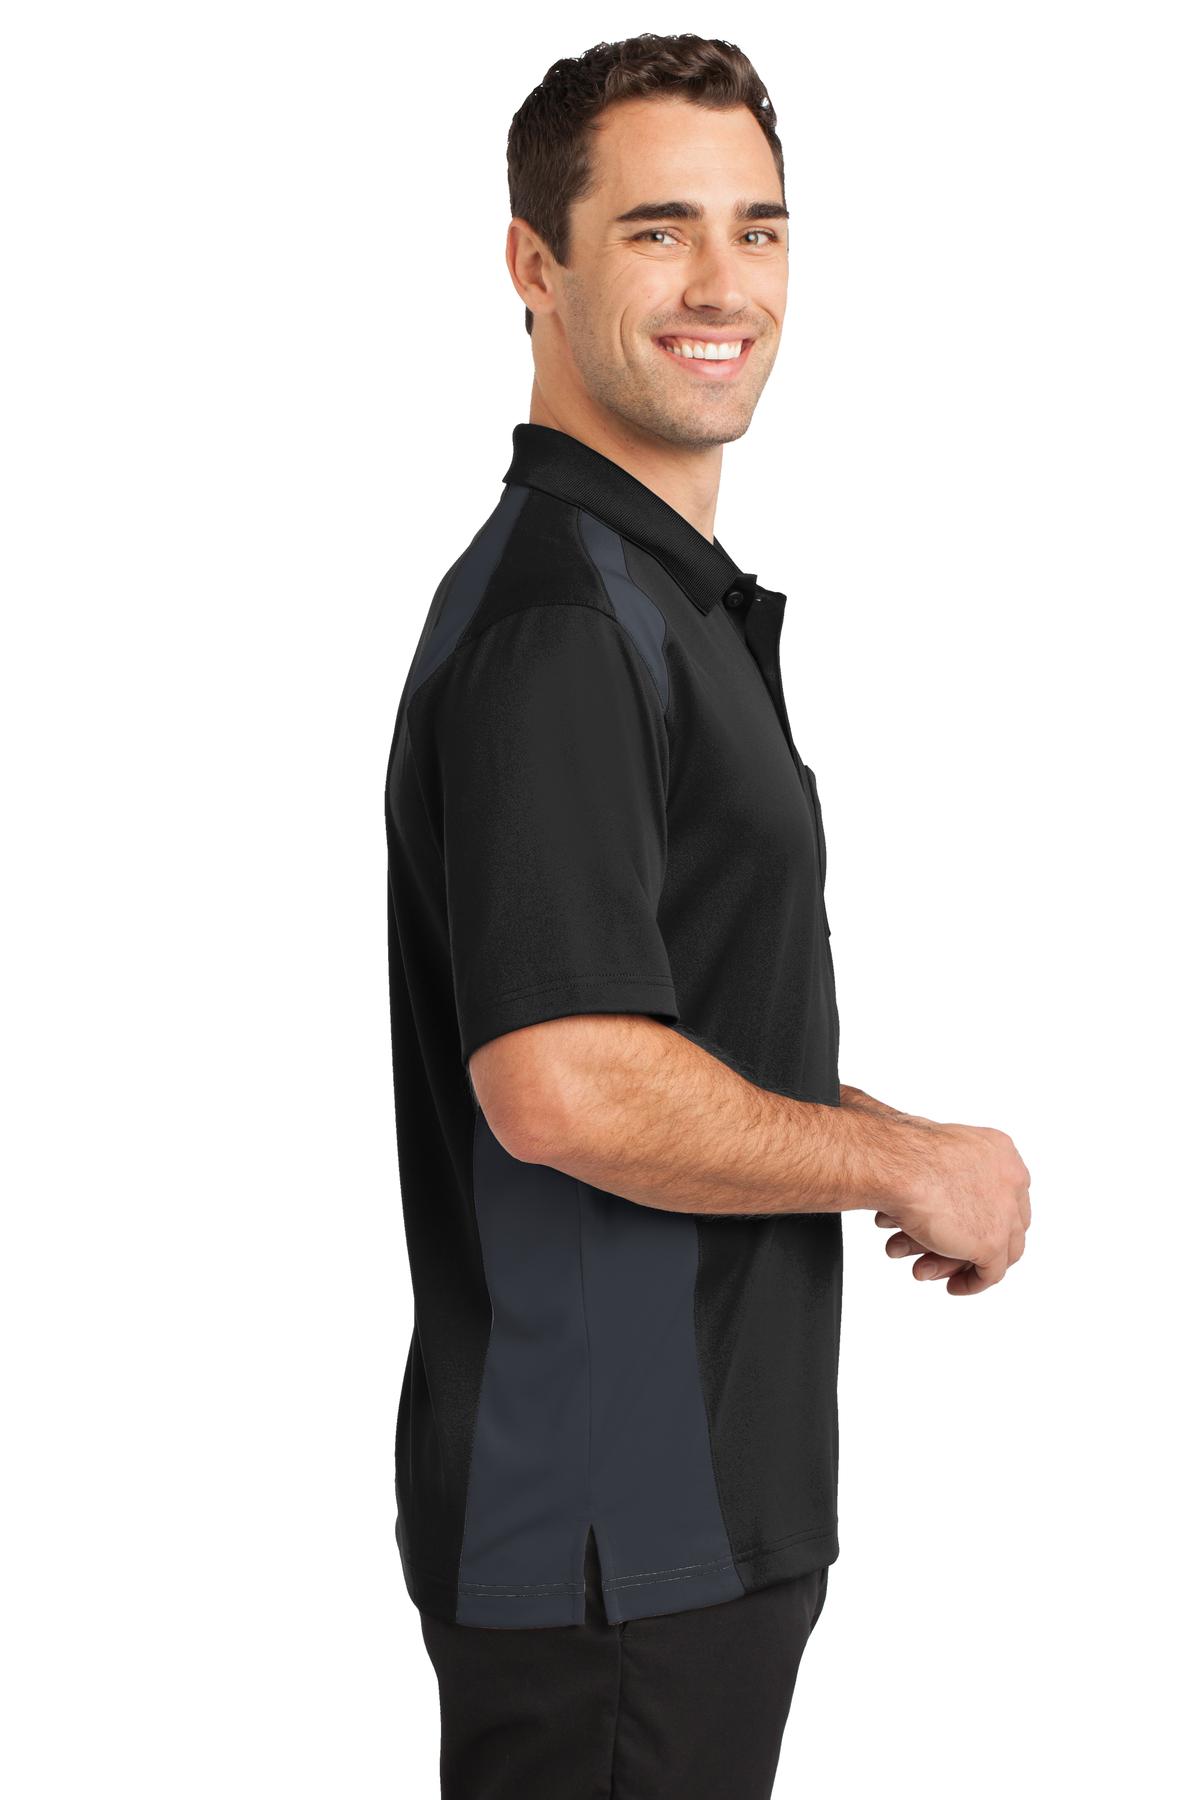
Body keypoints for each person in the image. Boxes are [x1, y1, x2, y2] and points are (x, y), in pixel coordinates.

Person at [383, 31, 1031, 1799]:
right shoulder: (564, 627)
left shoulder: (650, 601)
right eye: (658, 230)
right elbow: (567, 1083)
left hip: (671, 1538)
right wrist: (901, 1164)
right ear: (535, 263)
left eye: (759, 228)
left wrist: (888, 1135)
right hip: (614, 1541)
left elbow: (670, 1029)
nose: (722, 284)